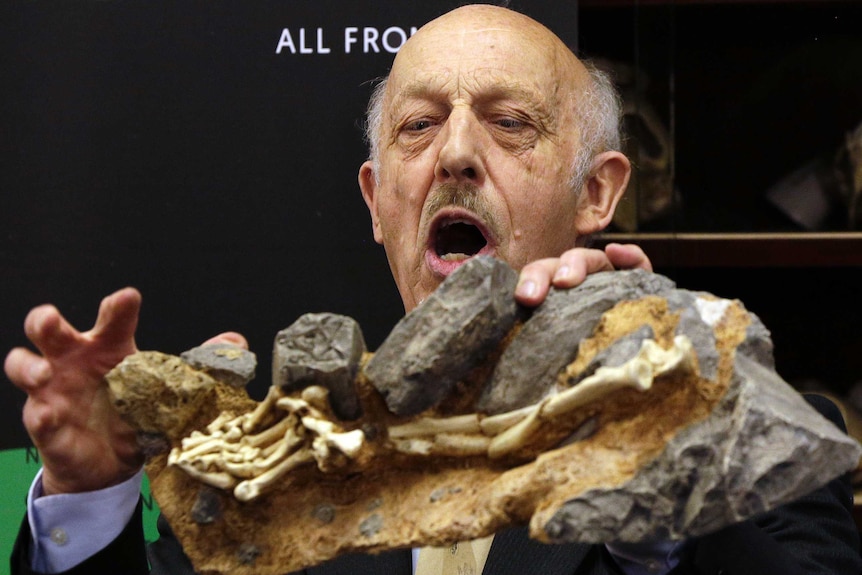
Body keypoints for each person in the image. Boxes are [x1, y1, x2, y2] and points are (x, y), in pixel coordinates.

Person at [5, 4, 859, 575]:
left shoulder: (762, 440)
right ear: (379, 203)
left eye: (509, 122)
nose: (454, 153)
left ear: (597, 193)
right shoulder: (262, 470)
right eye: (420, 125)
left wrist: (662, 448)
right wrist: (88, 496)